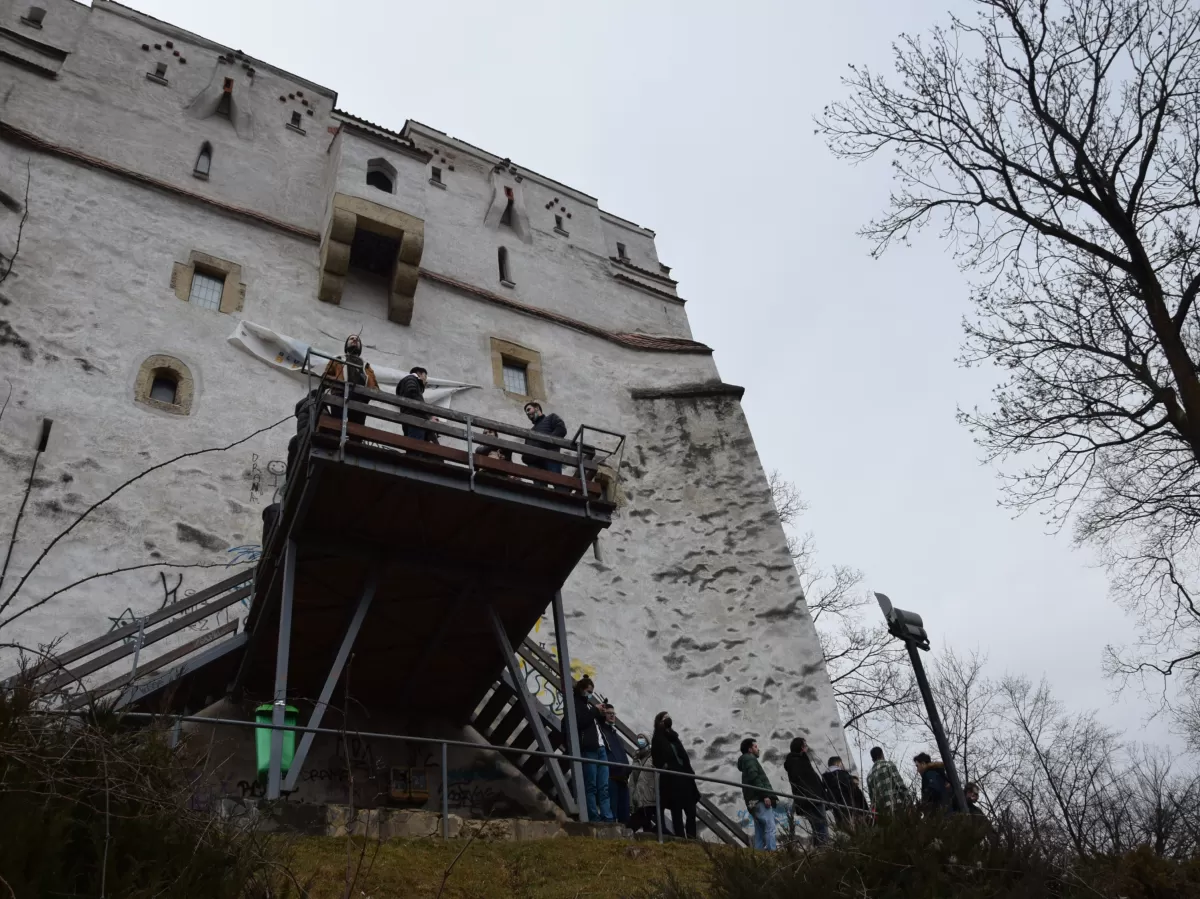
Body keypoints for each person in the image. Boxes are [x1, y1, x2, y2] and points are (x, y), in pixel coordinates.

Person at [569, 677, 613, 823]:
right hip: (589, 749)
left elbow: (593, 725)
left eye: (592, 692)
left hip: (600, 748)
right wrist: (595, 710)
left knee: (604, 787)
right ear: (581, 690)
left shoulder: (589, 706)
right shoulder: (575, 703)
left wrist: (601, 713)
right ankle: (594, 818)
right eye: (589, 692)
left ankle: (607, 817)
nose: (590, 695)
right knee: (591, 786)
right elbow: (580, 722)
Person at [651, 710, 699, 839]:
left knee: (691, 810)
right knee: (676, 811)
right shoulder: (657, 739)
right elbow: (656, 760)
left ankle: (692, 837)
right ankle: (680, 838)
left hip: (685, 778)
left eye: (668, 717)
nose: (668, 719)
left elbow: (684, 757)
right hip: (672, 781)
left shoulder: (675, 737)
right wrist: (665, 766)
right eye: (664, 718)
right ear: (659, 722)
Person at [321, 334, 378, 436]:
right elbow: (325, 376)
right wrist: (339, 380)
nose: (355, 340)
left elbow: (375, 388)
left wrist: (368, 391)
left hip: (360, 401)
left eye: (357, 340)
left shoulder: (366, 366)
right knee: (336, 428)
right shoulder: (338, 359)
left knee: (357, 433)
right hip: (339, 396)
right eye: (351, 339)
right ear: (346, 344)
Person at [783, 737, 830, 846]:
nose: (807, 747)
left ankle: (821, 851)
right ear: (801, 747)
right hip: (812, 799)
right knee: (821, 826)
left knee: (818, 828)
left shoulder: (800, 760)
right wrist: (815, 795)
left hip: (811, 799)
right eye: (805, 745)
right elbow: (802, 781)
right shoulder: (796, 762)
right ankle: (824, 852)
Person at [737, 738, 778, 851]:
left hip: (752, 800)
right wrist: (765, 795)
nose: (758, 748)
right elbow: (755, 778)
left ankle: (758, 855)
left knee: (759, 830)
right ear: (750, 749)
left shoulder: (746, 761)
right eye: (755, 747)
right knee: (770, 826)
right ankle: (772, 852)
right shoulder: (750, 759)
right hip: (759, 799)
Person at [598, 703, 632, 824]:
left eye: (613, 714)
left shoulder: (615, 735)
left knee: (624, 812)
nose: (612, 716)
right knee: (612, 811)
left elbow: (622, 754)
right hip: (611, 776)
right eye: (609, 713)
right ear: (603, 714)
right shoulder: (602, 732)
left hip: (622, 777)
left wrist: (628, 769)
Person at [395, 366, 438, 444]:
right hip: (415, 420)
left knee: (415, 446)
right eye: (425, 376)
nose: (426, 380)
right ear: (419, 374)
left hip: (412, 419)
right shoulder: (411, 379)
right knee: (415, 447)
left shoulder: (409, 381)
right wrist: (429, 416)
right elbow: (412, 393)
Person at [521, 401, 567, 474]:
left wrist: (544, 445)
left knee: (558, 482)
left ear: (536, 408)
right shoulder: (530, 432)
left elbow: (561, 429)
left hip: (551, 457)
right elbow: (526, 452)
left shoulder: (551, 417)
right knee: (538, 486)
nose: (527, 413)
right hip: (535, 464)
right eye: (526, 412)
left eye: (528, 409)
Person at [867, 746, 911, 821]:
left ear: (872, 759)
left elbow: (872, 799)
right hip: (897, 805)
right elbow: (900, 784)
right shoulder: (888, 765)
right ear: (882, 754)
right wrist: (909, 800)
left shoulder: (869, 776)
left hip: (883, 811)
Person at [627, 733, 658, 833]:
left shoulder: (654, 756)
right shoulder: (636, 758)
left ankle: (625, 836)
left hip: (650, 798)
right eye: (639, 738)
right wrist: (631, 800)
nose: (640, 740)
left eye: (642, 738)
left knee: (632, 825)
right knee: (646, 824)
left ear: (647, 740)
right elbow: (632, 781)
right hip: (639, 799)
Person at [822, 756, 860, 832]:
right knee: (852, 828)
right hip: (848, 805)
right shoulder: (843, 774)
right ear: (838, 763)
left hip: (836, 806)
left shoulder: (826, 777)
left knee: (842, 828)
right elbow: (852, 789)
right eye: (841, 763)